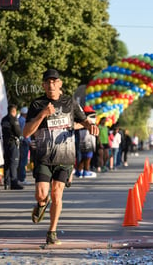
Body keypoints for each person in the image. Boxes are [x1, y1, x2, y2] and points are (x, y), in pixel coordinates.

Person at [23, 69, 99, 245]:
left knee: (57, 194)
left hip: (65, 157)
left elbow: (83, 120)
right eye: (47, 82)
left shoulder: (69, 103)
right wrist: (43, 114)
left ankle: (52, 231)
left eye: (54, 82)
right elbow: (26, 133)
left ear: (60, 84)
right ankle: (42, 204)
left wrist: (90, 126)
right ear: (43, 85)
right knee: (41, 194)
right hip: (43, 157)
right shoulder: (37, 104)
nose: (51, 85)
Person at [1, 104, 24, 190]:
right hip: (13, 142)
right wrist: (21, 136)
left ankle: (6, 183)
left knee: (7, 163)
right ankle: (14, 183)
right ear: (14, 111)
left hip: (6, 142)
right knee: (14, 163)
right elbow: (17, 131)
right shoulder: (13, 119)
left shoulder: (4, 119)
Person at [75, 109, 97, 178]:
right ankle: (86, 171)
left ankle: (79, 171)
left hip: (82, 140)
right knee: (88, 156)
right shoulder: (89, 121)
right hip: (88, 140)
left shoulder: (81, 121)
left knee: (84, 157)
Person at [18, 106, 31, 185]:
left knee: (20, 161)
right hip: (24, 142)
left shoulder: (19, 120)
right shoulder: (24, 121)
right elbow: (25, 133)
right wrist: (29, 141)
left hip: (20, 142)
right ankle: (22, 178)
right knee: (23, 161)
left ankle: (19, 177)